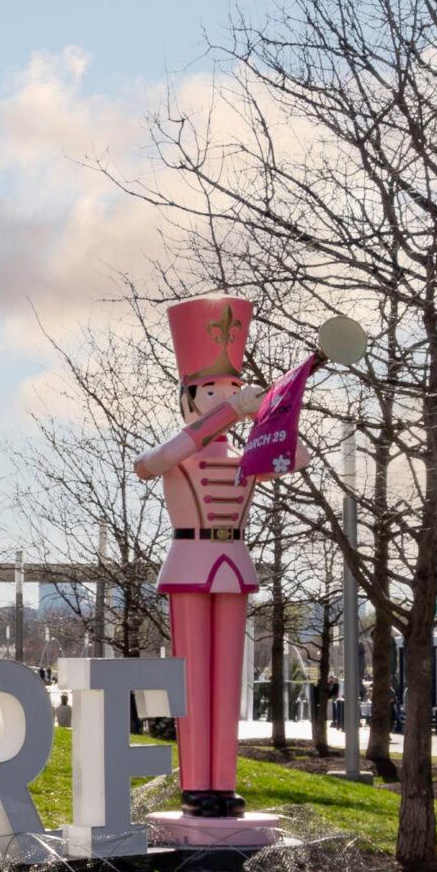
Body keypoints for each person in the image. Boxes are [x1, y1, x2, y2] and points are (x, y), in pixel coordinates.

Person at [134, 297, 312, 818]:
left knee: (226, 677)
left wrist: (275, 410)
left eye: (233, 389)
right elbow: (154, 462)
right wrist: (229, 415)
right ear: (189, 397)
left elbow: (297, 456)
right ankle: (196, 783)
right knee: (194, 675)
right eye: (213, 390)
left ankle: (222, 780)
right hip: (189, 559)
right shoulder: (180, 451)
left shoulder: (247, 454)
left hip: (233, 562)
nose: (226, 398)